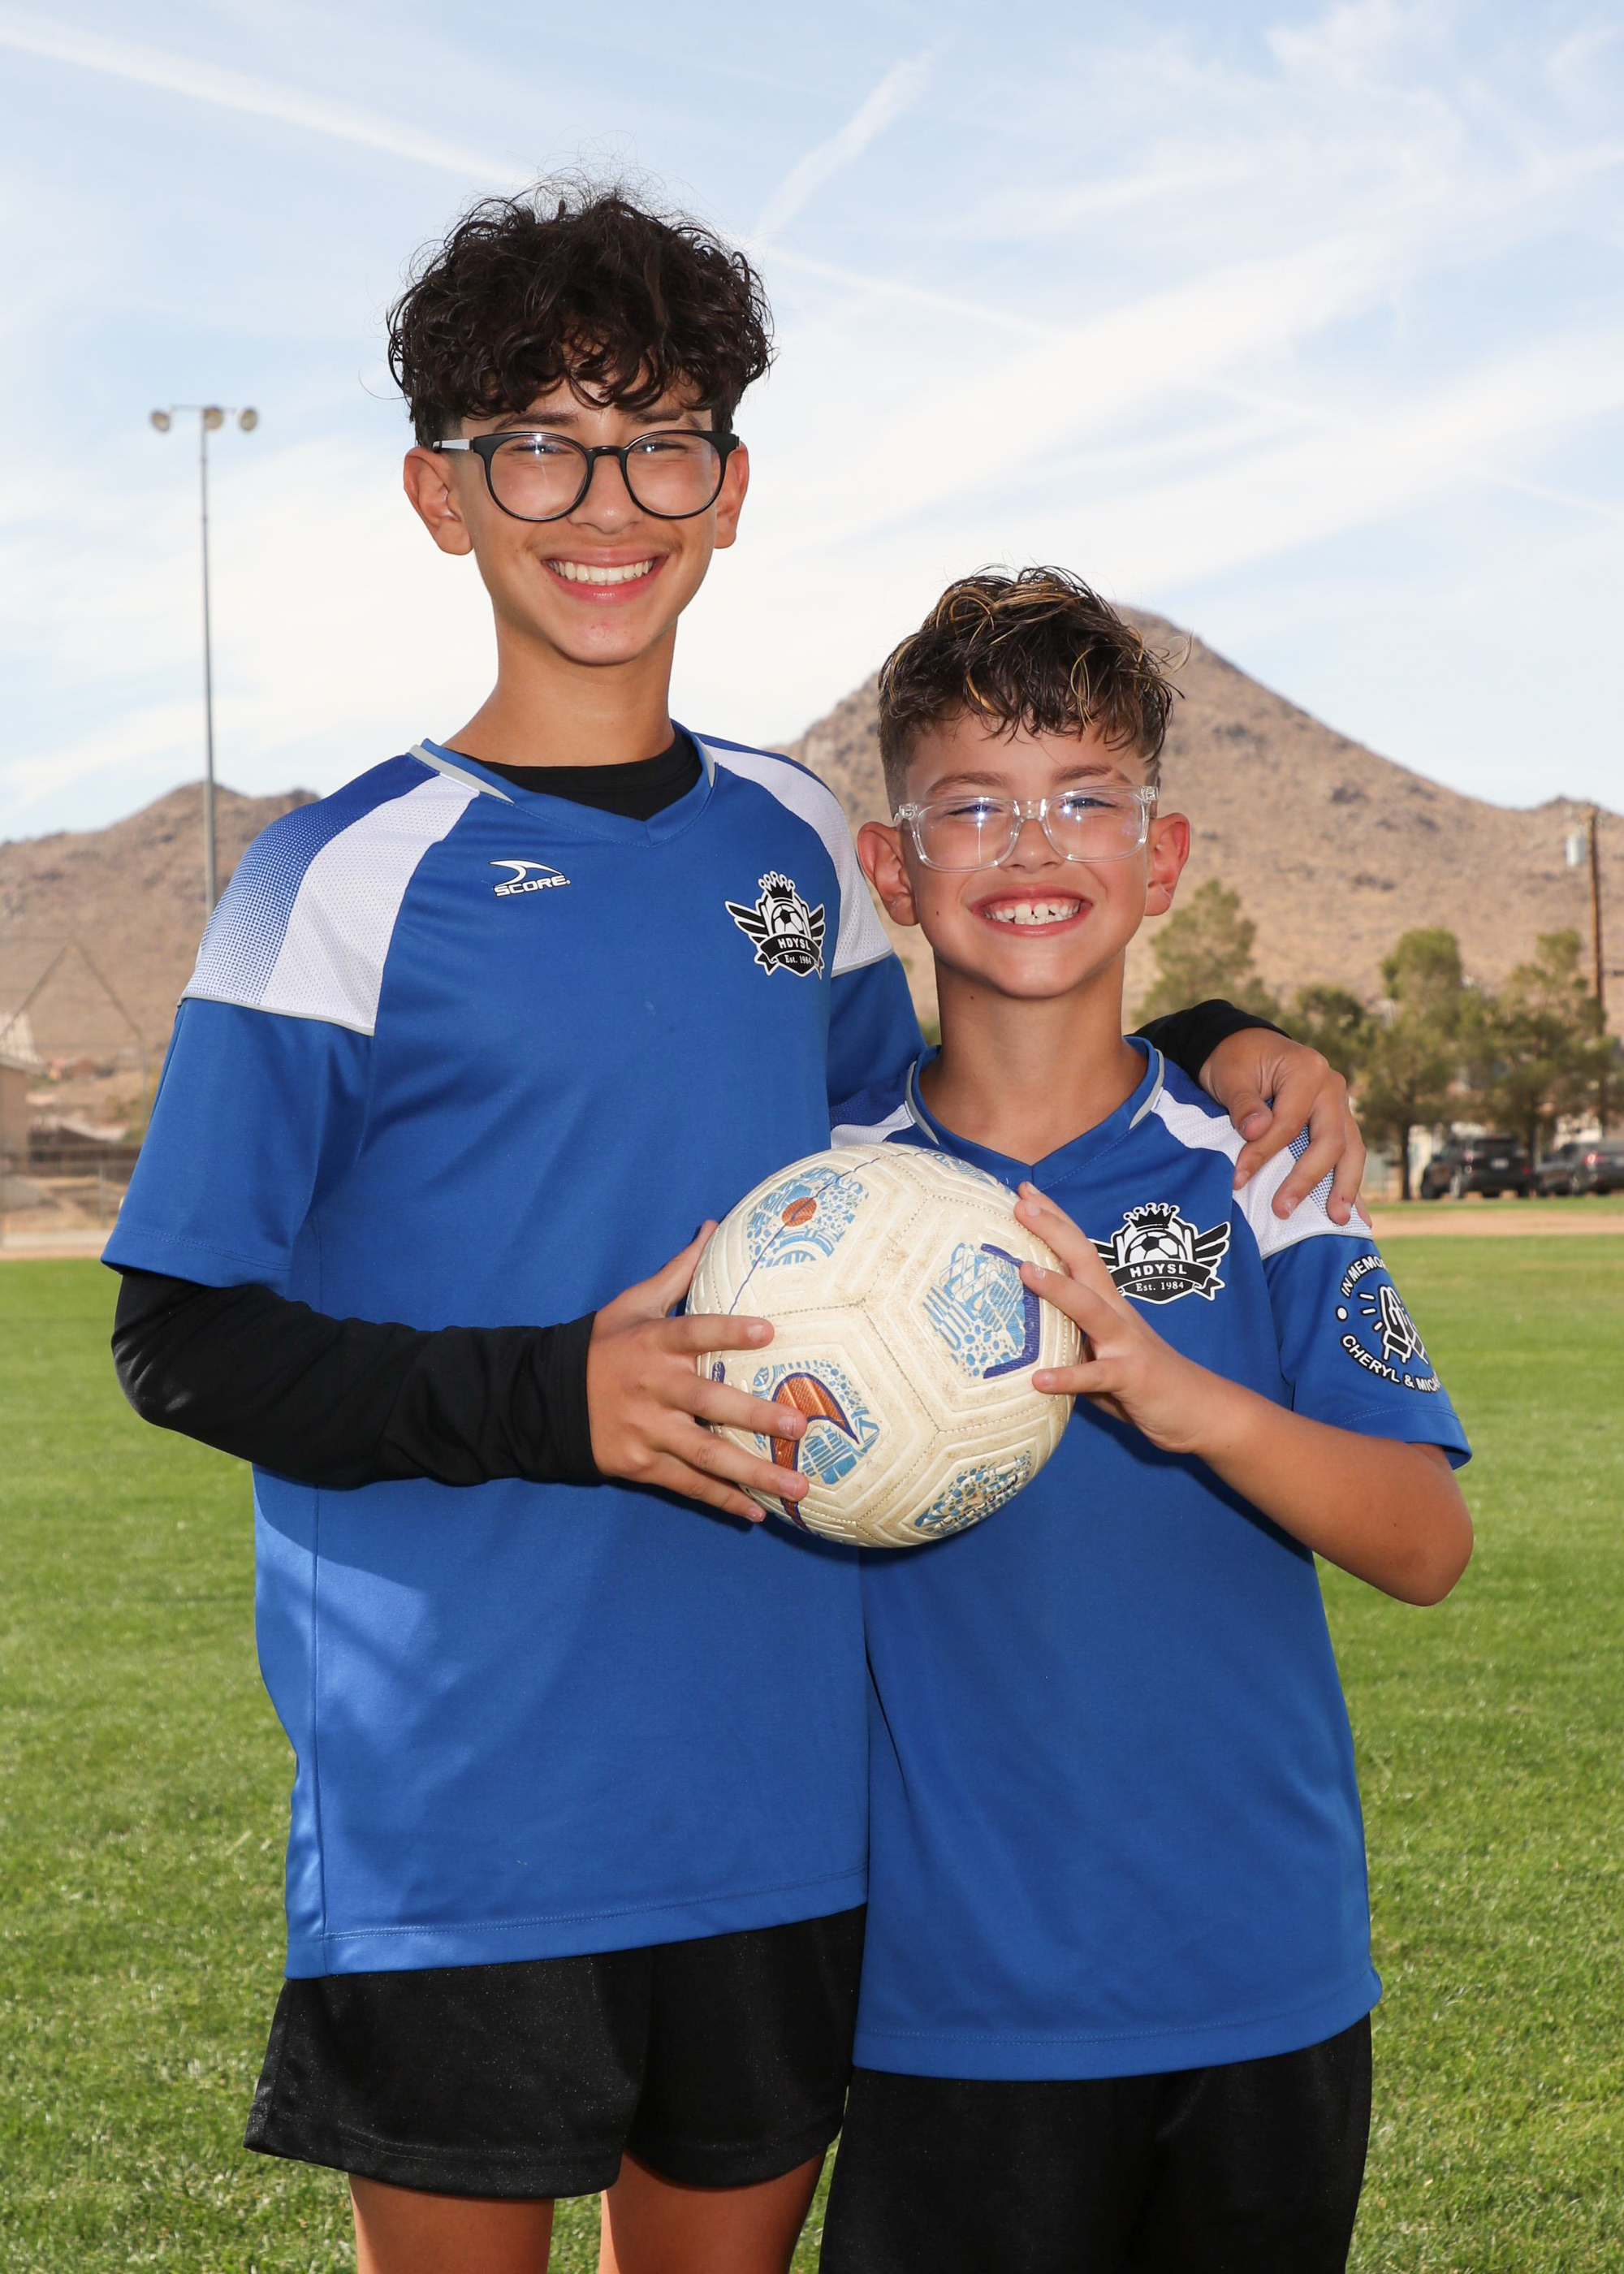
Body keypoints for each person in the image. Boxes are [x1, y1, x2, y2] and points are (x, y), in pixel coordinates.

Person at [107, 188, 1366, 2274]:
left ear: (731, 486)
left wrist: (1212, 1030)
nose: (606, 503)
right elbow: (179, 1332)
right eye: (540, 445)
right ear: (441, 492)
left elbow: (956, 1106)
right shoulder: (332, 878)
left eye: (660, 443)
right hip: (468, 1795)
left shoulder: (794, 841)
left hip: (782, 1796)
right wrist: (560, 1396)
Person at [822, 567, 1473, 2274]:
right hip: (949, 2009)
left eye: (1085, 798)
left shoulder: (1268, 1176)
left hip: (1258, 1981)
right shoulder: (820, 1209)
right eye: (972, 803)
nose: (1031, 843)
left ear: (1161, 856)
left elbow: (1426, 1543)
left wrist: (1197, 1404)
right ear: (893, 867)